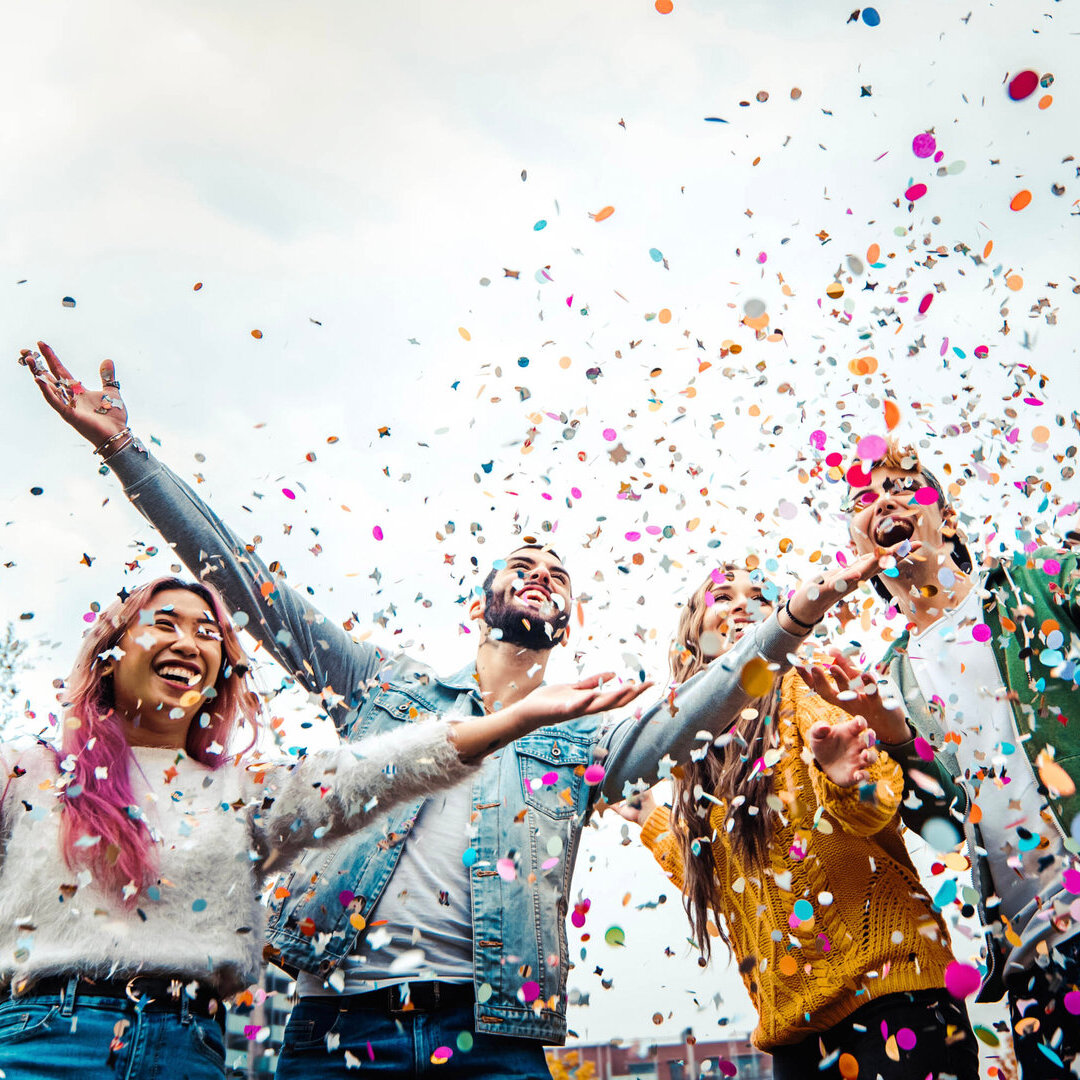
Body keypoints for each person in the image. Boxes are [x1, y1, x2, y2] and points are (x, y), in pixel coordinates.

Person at [18, 342, 902, 1077]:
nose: (541, 573)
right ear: (482, 597)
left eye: (559, 574)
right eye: (524, 562)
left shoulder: (584, 735)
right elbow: (250, 588)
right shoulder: (381, 688)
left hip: (495, 1039)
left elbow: (695, 712)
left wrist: (796, 614)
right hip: (337, 1028)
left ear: (566, 620)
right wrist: (127, 453)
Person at [0, 573, 639, 1080]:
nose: (189, 642)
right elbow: (245, 575)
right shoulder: (22, 774)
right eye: (163, 624)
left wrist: (515, 720)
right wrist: (122, 449)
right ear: (109, 652)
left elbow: (376, 773)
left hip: (188, 1049)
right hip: (39, 1040)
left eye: (207, 633)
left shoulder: (244, 794)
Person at [618, 562, 979, 1080]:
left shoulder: (803, 689)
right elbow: (730, 884)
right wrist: (652, 819)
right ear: (692, 631)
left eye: (759, 596)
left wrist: (846, 779)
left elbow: (877, 806)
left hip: (893, 999)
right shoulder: (696, 758)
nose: (744, 604)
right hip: (794, 1030)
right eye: (724, 595)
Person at [830, 439, 1079, 1079]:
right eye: (863, 498)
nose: (882, 499)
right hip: (1035, 959)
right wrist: (891, 735)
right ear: (859, 551)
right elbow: (942, 824)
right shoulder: (889, 682)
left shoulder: (1041, 582)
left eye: (902, 484)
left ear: (948, 516)